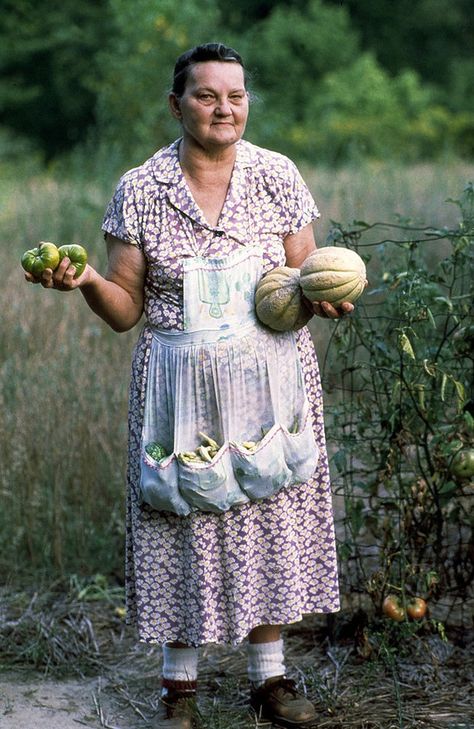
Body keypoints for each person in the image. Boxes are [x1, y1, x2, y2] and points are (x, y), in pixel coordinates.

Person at [24, 43, 355, 729]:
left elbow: (306, 275)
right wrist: (86, 280)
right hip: (180, 388)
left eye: (235, 95)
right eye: (207, 95)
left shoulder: (277, 176)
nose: (224, 108)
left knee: (268, 517)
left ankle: (272, 683)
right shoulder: (141, 188)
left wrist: (326, 298)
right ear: (177, 104)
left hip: (270, 380)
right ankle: (180, 692)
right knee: (181, 519)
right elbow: (125, 310)